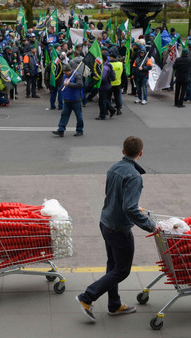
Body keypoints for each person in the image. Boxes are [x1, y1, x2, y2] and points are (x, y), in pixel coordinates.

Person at [76, 136, 157, 322]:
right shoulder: (134, 176)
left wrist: (135, 207)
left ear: (123, 151)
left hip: (105, 222)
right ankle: (86, 297)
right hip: (119, 229)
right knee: (122, 270)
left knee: (112, 266)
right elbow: (129, 207)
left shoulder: (113, 168)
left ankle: (114, 304)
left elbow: (115, 196)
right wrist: (150, 226)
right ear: (141, 153)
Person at [52, 60, 84, 137]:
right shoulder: (65, 76)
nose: (64, 74)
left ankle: (79, 130)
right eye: (64, 72)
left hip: (76, 99)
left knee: (78, 116)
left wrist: (69, 84)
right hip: (67, 99)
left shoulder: (77, 75)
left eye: (66, 72)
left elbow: (80, 85)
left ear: (70, 71)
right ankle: (61, 129)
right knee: (64, 115)